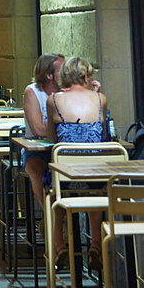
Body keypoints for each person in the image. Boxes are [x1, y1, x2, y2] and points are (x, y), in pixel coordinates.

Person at [45, 56, 107, 274]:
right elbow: (104, 138)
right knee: (95, 193)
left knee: (54, 194)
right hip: (94, 176)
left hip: (66, 178)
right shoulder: (100, 99)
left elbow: (52, 139)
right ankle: (96, 243)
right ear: (87, 76)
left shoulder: (54, 100)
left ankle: (60, 245)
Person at [22, 53, 63, 205]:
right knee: (36, 170)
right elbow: (38, 129)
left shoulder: (66, 92)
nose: (66, 73)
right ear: (48, 75)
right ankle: (50, 218)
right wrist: (64, 127)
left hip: (62, 148)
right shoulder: (32, 92)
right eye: (62, 70)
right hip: (36, 150)